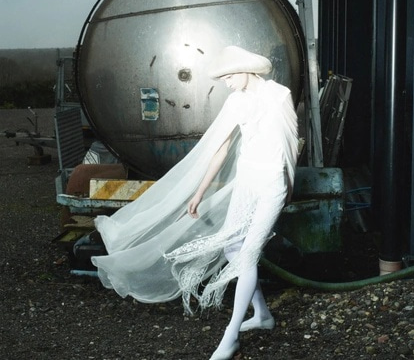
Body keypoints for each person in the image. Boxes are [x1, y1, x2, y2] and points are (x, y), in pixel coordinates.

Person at [92, 45, 298, 360]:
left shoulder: (279, 96)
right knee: (232, 249)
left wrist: (288, 188)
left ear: (244, 70)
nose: (227, 83)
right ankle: (262, 315)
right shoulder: (236, 101)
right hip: (247, 181)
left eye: (229, 76)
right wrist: (199, 192)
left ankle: (230, 337)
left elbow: (291, 146)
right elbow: (220, 149)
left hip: (271, 184)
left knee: (247, 255)